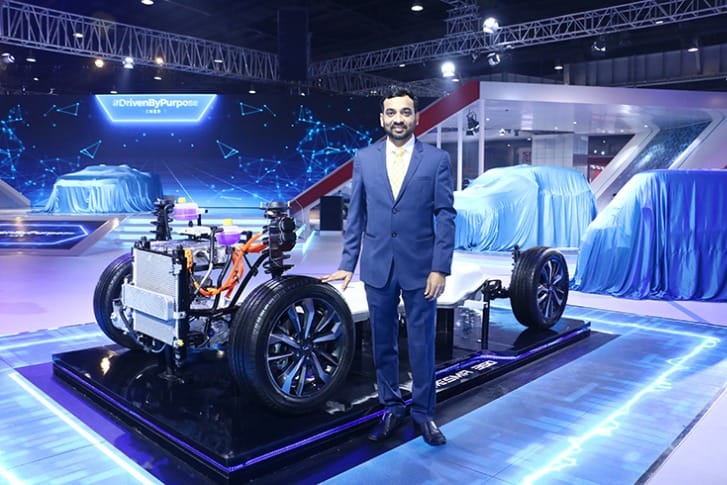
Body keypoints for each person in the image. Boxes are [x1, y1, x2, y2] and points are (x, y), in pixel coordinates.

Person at [321, 85, 456, 446]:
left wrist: (440, 267)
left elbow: (445, 215)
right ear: (382, 118)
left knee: (422, 345)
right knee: (382, 344)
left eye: (405, 112)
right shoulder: (364, 158)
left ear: (416, 117)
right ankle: (392, 408)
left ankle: (424, 414)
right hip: (378, 265)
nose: (399, 119)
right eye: (392, 113)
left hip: (422, 269)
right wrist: (348, 263)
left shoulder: (436, 160)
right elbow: (356, 215)